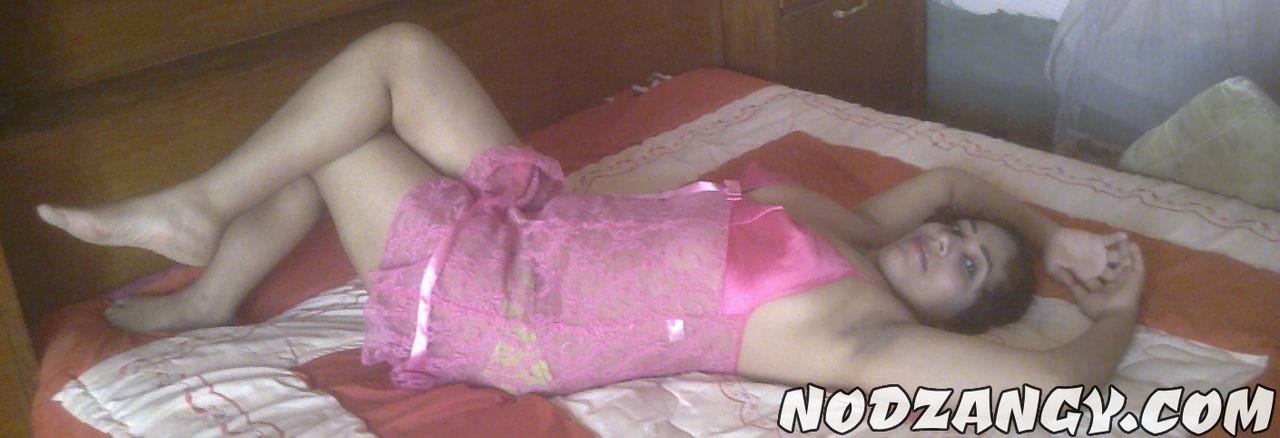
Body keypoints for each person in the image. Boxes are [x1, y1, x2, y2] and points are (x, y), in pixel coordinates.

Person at [37, 23, 1144, 396]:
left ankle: (204, 247)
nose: (947, 238)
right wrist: (1058, 238)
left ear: (951, 322)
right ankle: (205, 253)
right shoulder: (853, 234)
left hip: (510, 303)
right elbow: (949, 183)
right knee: (390, 62)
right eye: (958, 237)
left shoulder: (865, 334)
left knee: (354, 114)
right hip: (544, 229)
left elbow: (1056, 383)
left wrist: (1117, 309)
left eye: (965, 266)